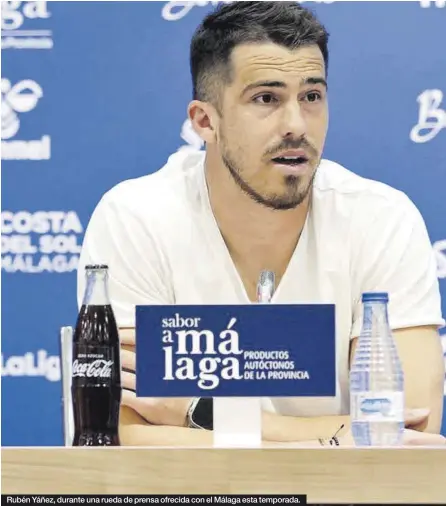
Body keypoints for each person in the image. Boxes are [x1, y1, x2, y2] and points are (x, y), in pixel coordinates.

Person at [77, 1, 445, 447]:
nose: (296, 125)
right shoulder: (136, 218)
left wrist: (198, 411)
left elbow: (407, 432)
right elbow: (124, 436)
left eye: (311, 97)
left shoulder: (381, 219)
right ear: (204, 122)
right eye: (266, 99)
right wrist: (334, 440)